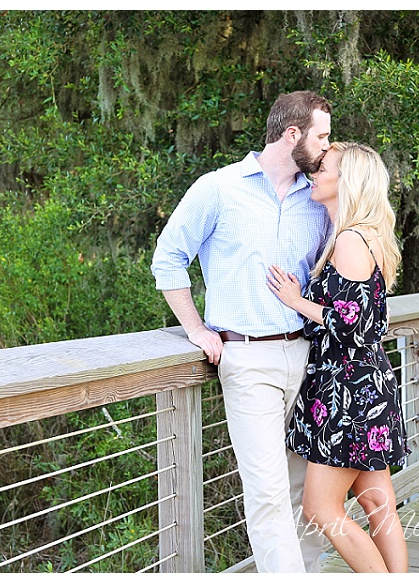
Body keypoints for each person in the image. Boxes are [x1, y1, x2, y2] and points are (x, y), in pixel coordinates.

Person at [151, 90, 332, 572]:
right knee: (269, 493)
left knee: (307, 489)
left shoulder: (316, 199)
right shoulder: (218, 189)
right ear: (292, 135)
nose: (326, 148)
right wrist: (194, 327)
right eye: (321, 137)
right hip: (247, 360)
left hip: (311, 360)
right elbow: (167, 258)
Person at [267, 141, 410, 572]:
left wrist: (297, 300)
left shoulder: (349, 240)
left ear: (345, 180)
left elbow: (352, 325)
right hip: (368, 386)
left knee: (320, 509)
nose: (314, 172)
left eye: (323, 167)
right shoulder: (369, 235)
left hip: (349, 394)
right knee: (377, 504)